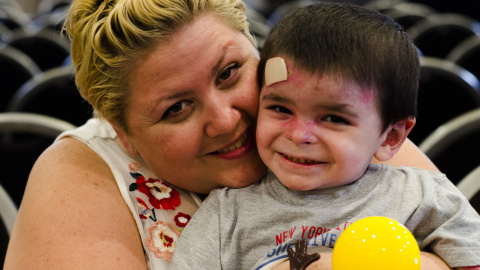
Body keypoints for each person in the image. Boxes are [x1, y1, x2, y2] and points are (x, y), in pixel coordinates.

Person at [3, 0, 444, 269]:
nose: (226, 120)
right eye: (176, 108)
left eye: (230, 73)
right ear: (124, 134)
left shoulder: (327, 125)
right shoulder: (80, 173)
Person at [168, 3, 480, 270]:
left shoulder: (424, 196)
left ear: (390, 138)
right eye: (280, 108)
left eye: (333, 118)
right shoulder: (227, 213)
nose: (300, 135)